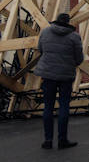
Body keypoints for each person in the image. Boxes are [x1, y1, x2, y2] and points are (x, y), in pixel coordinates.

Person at [34, 13, 83, 150]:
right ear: (68, 22)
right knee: (63, 106)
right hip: (65, 75)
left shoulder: (45, 32)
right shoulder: (74, 36)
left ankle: (48, 140)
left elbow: (40, 49)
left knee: (48, 107)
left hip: (48, 74)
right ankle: (62, 140)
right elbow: (79, 58)